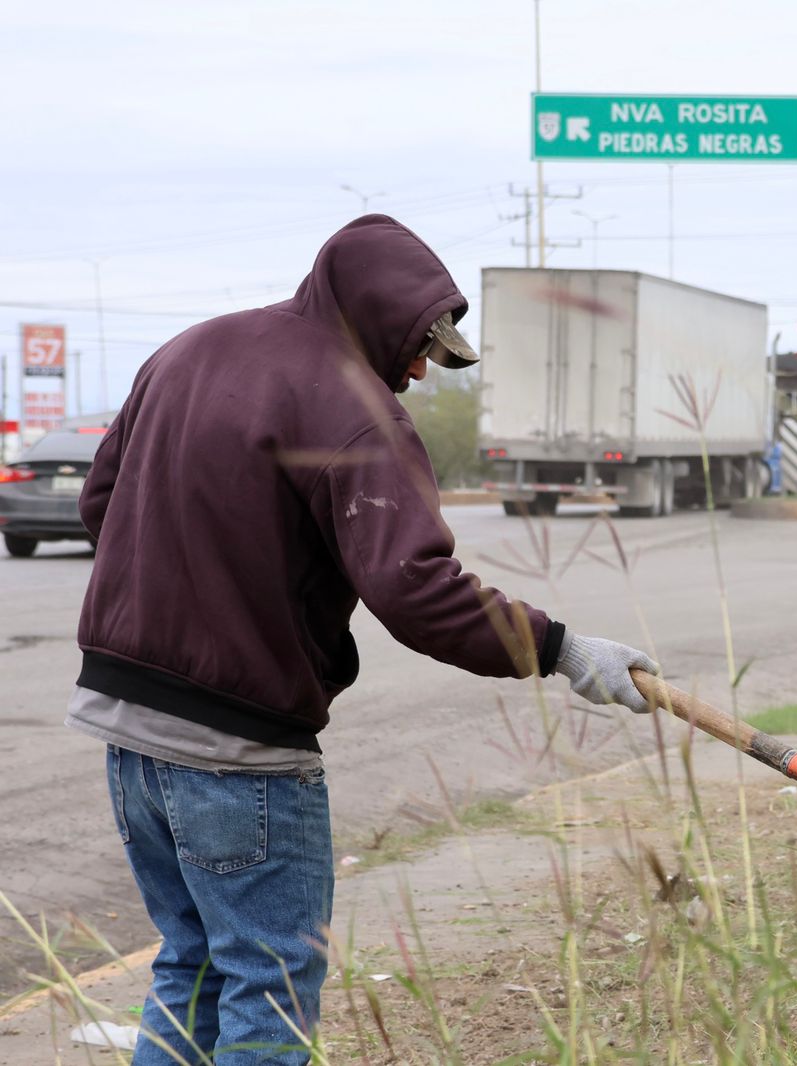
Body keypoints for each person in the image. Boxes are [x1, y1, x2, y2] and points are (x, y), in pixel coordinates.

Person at [69, 215, 658, 1064]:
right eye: (420, 345)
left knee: (192, 966)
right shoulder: (354, 409)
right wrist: (562, 647)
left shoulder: (185, 352)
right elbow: (415, 592)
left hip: (125, 731)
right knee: (267, 987)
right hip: (239, 750)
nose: (420, 369)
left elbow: (103, 505)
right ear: (378, 317)